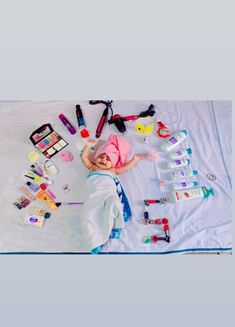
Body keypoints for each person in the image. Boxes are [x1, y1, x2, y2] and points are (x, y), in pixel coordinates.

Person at [79, 134, 143, 254]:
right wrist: (88, 146)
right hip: (94, 195)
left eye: (108, 159)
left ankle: (116, 227)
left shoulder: (112, 170)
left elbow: (126, 168)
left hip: (108, 194)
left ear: (113, 163)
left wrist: (135, 159)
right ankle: (95, 242)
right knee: (88, 216)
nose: (103, 160)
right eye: (101, 157)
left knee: (115, 204)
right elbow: (84, 158)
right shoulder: (92, 167)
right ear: (96, 157)